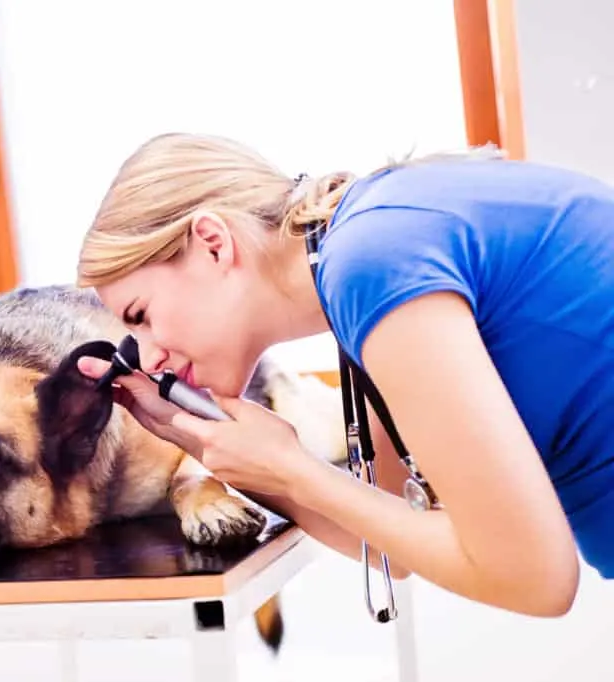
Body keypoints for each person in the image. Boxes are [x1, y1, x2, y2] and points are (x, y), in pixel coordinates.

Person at [74, 132, 614, 617]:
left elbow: (536, 580)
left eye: (140, 315)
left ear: (214, 243)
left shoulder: (371, 264)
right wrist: (229, 454)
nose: (147, 359)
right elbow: (387, 544)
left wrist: (290, 468)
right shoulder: (358, 257)